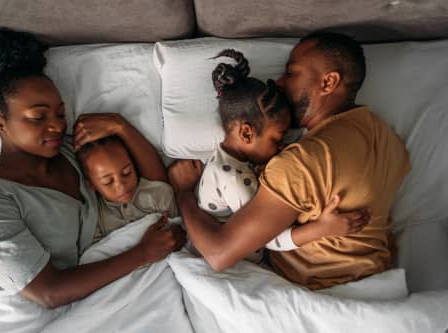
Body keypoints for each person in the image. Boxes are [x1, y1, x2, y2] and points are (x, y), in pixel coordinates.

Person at [0, 26, 185, 332]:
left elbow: (152, 189)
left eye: (60, 114)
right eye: (39, 117)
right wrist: (143, 252)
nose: (55, 126)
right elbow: (48, 292)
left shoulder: (69, 151)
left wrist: (119, 126)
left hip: (99, 294)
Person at [168, 32, 410, 290]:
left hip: (322, 291)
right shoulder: (386, 138)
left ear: (328, 82)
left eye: (292, 74)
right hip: (379, 279)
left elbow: (219, 254)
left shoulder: (300, 163)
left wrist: (183, 193)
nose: (280, 83)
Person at [197, 49, 368, 263]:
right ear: (247, 133)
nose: (281, 148)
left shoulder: (230, 160)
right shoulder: (234, 179)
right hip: (239, 263)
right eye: (277, 139)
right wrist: (321, 229)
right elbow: (267, 238)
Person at [75, 122, 177, 243]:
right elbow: (98, 254)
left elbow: (176, 232)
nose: (121, 186)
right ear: (91, 184)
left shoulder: (159, 193)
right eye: (108, 182)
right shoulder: (96, 219)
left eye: (127, 172)